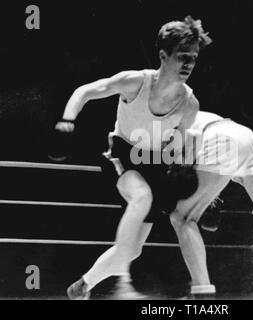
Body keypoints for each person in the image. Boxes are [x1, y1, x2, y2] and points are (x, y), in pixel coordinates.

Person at [87, 110, 253, 300]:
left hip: (219, 139)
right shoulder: (166, 133)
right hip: (244, 138)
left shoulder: (162, 132)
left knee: (182, 219)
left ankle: (202, 297)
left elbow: (195, 149)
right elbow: (230, 169)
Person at [56, 16, 212, 300]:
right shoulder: (135, 82)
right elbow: (87, 91)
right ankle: (123, 286)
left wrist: (193, 180)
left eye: (194, 57)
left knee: (133, 249)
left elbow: (178, 147)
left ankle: (83, 285)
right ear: (163, 56)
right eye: (182, 57)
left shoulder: (189, 103)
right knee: (141, 197)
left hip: (154, 165)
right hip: (122, 156)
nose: (189, 64)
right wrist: (68, 119)